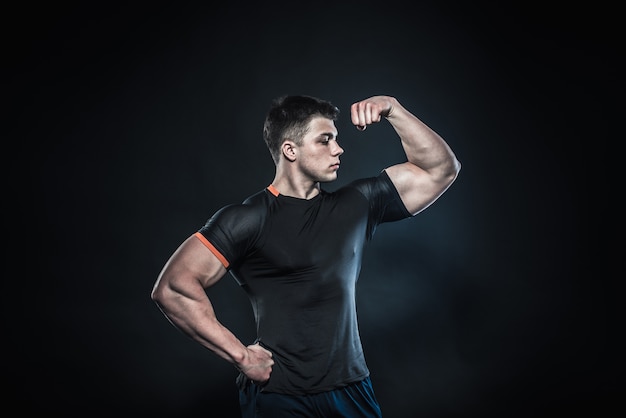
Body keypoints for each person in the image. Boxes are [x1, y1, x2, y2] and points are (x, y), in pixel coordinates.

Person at [151, 94, 461, 417]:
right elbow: (173, 287)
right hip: (280, 397)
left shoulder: (357, 204)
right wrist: (241, 356)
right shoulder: (247, 219)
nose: (338, 149)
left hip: (351, 391)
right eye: (325, 140)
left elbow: (441, 169)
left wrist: (393, 109)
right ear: (290, 150)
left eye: (336, 139)